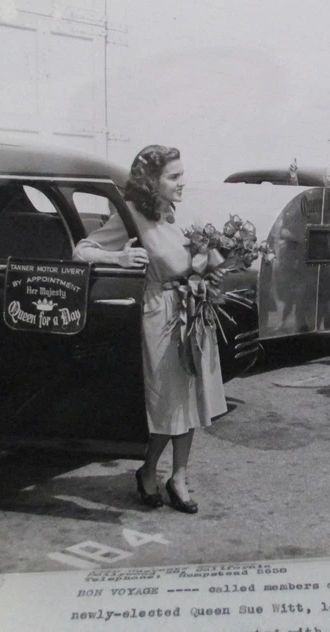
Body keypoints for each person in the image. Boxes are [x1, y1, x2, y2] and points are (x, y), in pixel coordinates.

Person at [73, 145, 227, 514]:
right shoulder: (131, 214)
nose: (181, 182)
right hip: (161, 313)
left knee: (189, 399)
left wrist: (222, 260)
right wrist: (118, 257)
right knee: (167, 402)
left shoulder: (180, 211)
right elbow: (81, 251)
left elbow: (207, 260)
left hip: (194, 309)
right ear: (150, 181)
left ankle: (178, 477)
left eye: (181, 174)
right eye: (173, 176)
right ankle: (148, 469)